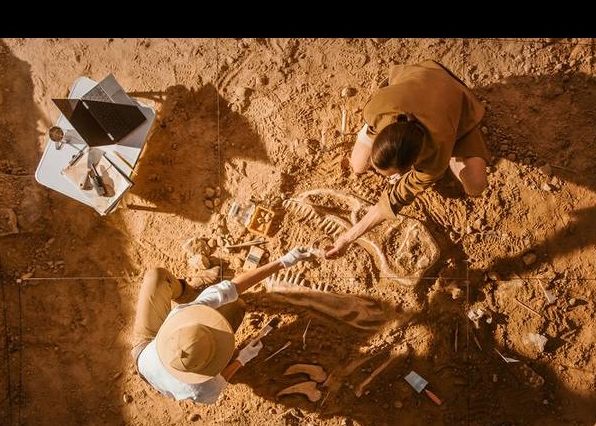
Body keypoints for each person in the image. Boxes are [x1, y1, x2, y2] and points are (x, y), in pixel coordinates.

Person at [325, 60, 490, 259]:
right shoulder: (375, 111)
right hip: (422, 75)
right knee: (358, 165)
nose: (383, 176)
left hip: (456, 100)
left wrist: (347, 238)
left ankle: (455, 143)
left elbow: (393, 201)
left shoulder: (434, 160)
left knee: (475, 186)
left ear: (413, 164)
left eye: (392, 174)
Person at [130, 247, 313, 404]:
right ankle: (198, 298)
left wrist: (283, 261)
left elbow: (233, 287)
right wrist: (242, 358)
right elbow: (222, 379)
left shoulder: (180, 315)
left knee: (157, 277)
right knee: (235, 307)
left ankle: (188, 292)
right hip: (155, 369)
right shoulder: (202, 390)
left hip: (144, 348)